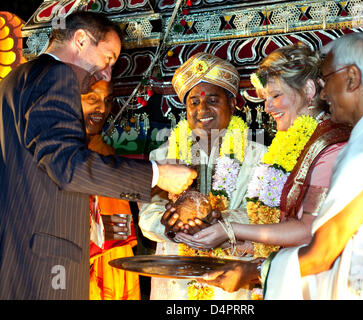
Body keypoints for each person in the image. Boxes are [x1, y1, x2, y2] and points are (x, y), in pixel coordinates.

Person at [202, 32, 363, 300]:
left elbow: (322, 252)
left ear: (352, 78)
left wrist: (256, 269)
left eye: (327, 79)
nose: (324, 91)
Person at [0, 11, 195, 300]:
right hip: (48, 261)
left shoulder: (17, 79)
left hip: (19, 253)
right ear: (80, 40)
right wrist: (158, 174)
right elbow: (67, 166)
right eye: (107, 59)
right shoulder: (57, 74)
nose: (105, 74)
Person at [175, 44, 350, 299]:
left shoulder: (330, 145)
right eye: (266, 99)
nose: (267, 107)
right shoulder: (297, 141)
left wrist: (230, 229)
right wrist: (245, 244)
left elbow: (309, 229)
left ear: (309, 90)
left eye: (276, 96)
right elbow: (284, 221)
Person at [138, 52, 267, 300]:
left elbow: (264, 217)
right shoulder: (164, 155)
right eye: (194, 101)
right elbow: (147, 214)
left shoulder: (259, 156)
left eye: (212, 100)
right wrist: (168, 225)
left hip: (233, 284)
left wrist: (220, 223)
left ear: (232, 103)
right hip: (174, 282)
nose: (202, 109)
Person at [80, 79, 140, 300]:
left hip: (109, 254)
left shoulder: (104, 152)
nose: (103, 109)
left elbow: (118, 232)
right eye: (92, 99)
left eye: (108, 100)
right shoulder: (52, 149)